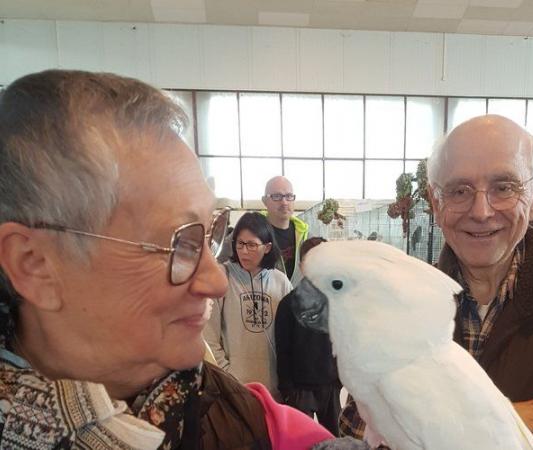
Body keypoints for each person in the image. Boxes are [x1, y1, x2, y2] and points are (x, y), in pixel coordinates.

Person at [0, 70, 339, 449]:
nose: (216, 282)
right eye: (178, 243)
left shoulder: (251, 421)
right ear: (35, 264)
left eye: (209, 234)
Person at [339, 115, 533, 449]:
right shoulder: (393, 305)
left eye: (504, 187)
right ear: (435, 201)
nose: (481, 211)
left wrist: (422, 430)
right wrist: (518, 421)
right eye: (459, 190)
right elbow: (359, 435)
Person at [204, 212, 293, 398]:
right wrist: (228, 375)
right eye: (240, 244)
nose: (244, 251)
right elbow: (209, 337)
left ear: (267, 247)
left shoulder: (281, 281)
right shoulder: (223, 277)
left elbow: (292, 337)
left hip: (275, 390)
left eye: (251, 245)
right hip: (234, 389)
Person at [275, 237, 342, 436]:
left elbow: (345, 342)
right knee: (302, 439)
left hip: (330, 384)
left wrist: (341, 378)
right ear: (302, 266)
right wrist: (286, 388)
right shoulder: (288, 304)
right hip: (299, 388)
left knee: (334, 437)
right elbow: (283, 348)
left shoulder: (338, 302)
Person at [262, 176, 308, 286]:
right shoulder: (251, 232)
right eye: (277, 196)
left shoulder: (305, 236)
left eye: (289, 196)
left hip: (296, 301)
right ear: (264, 201)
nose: (284, 202)